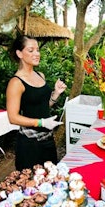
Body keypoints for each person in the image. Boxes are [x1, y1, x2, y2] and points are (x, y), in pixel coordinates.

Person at [6, 35, 67, 171]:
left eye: (38, 50)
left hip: (48, 140)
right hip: (29, 144)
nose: (37, 54)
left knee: (52, 181)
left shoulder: (40, 75)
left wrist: (56, 94)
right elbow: (13, 117)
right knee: (31, 187)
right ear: (19, 53)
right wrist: (41, 123)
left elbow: (43, 107)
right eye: (31, 50)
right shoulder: (16, 83)